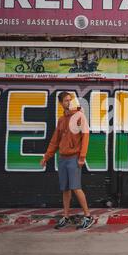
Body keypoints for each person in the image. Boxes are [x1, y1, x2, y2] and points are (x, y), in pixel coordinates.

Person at [40, 92, 94, 230]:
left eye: (70, 100)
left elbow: (86, 137)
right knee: (65, 189)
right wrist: (47, 156)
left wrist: (82, 157)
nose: (68, 102)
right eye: (65, 100)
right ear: (60, 103)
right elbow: (55, 141)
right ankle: (66, 216)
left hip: (74, 158)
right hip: (62, 158)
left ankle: (88, 216)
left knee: (76, 187)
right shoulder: (61, 120)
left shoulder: (79, 116)